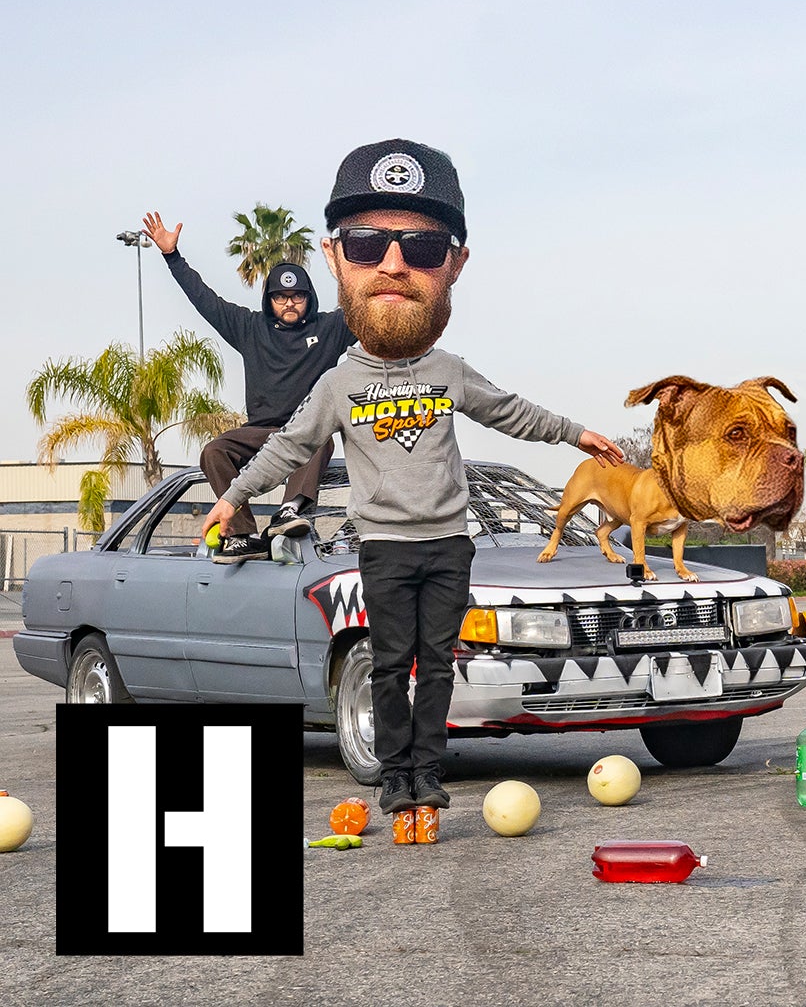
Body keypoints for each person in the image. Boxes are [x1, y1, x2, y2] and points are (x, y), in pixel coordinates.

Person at [203, 138, 625, 816]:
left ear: (454, 264)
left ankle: (428, 772)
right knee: (391, 667)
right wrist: (232, 497)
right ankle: (394, 776)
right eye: (368, 244)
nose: (395, 264)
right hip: (386, 549)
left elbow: (509, 411)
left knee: (438, 670)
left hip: (448, 545)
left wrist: (576, 433)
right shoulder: (340, 383)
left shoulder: (448, 370)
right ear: (336, 257)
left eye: (423, 250)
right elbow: (288, 446)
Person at [142, 212, 357, 563]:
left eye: (297, 296)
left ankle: (291, 511)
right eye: (281, 296)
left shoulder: (330, 328)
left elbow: (369, 309)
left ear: (309, 298)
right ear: (270, 300)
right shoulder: (249, 327)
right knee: (213, 451)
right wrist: (172, 257)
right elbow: (205, 300)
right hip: (260, 432)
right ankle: (242, 533)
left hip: (304, 432)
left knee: (320, 437)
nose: (289, 302)